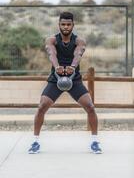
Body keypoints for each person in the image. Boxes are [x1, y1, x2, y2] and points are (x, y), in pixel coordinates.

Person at [28, 11, 102, 154]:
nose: (66, 27)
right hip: (56, 78)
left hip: (74, 79)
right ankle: (35, 141)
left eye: (69, 24)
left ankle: (94, 141)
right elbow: (51, 53)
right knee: (42, 106)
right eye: (63, 24)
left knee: (90, 107)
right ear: (59, 25)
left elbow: (78, 53)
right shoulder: (52, 40)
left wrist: (72, 67)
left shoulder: (79, 41)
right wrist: (57, 67)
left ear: (73, 25)